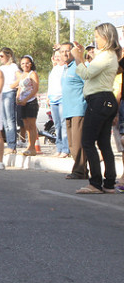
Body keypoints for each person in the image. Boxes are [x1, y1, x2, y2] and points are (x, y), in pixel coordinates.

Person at [72, 23, 121, 194]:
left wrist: (78, 58)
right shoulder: (109, 56)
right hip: (105, 100)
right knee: (103, 143)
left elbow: (86, 74)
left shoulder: (106, 55)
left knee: (87, 141)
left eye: (98, 37)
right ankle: (108, 184)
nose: (96, 40)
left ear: (106, 37)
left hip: (99, 99)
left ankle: (95, 183)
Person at [59, 42, 89, 180]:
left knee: (78, 143)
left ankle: (80, 171)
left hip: (79, 109)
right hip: (68, 110)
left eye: (68, 51)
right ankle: (79, 169)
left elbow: (88, 84)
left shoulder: (78, 66)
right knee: (71, 144)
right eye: (62, 51)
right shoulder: (64, 68)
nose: (65, 54)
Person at [0, 48, 20, 157]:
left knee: (10, 120)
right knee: (5, 121)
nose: (0, 58)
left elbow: (21, 78)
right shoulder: (1, 68)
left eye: (2, 56)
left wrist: (12, 85)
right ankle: (9, 144)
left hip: (10, 93)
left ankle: (12, 145)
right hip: (1, 93)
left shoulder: (14, 66)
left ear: (9, 55)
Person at [48, 48, 69, 158]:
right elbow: (51, 83)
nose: (57, 58)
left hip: (62, 99)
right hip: (53, 99)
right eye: (55, 56)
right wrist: (48, 97)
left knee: (63, 125)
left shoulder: (66, 68)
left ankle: (66, 148)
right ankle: (59, 147)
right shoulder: (54, 69)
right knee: (57, 125)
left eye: (59, 55)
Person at [16, 55, 39, 156]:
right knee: (26, 125)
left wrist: (26, 99)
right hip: (22, 103)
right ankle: (29, 146)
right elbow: (19, 88)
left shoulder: (32, 74)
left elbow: (35, 89)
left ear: (31, 64)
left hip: (31, 102)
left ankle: (33, 147)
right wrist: (18, 98)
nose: (25, 65)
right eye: (23, 63)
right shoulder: (22, 75)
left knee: (32, 125)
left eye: (27, 63)